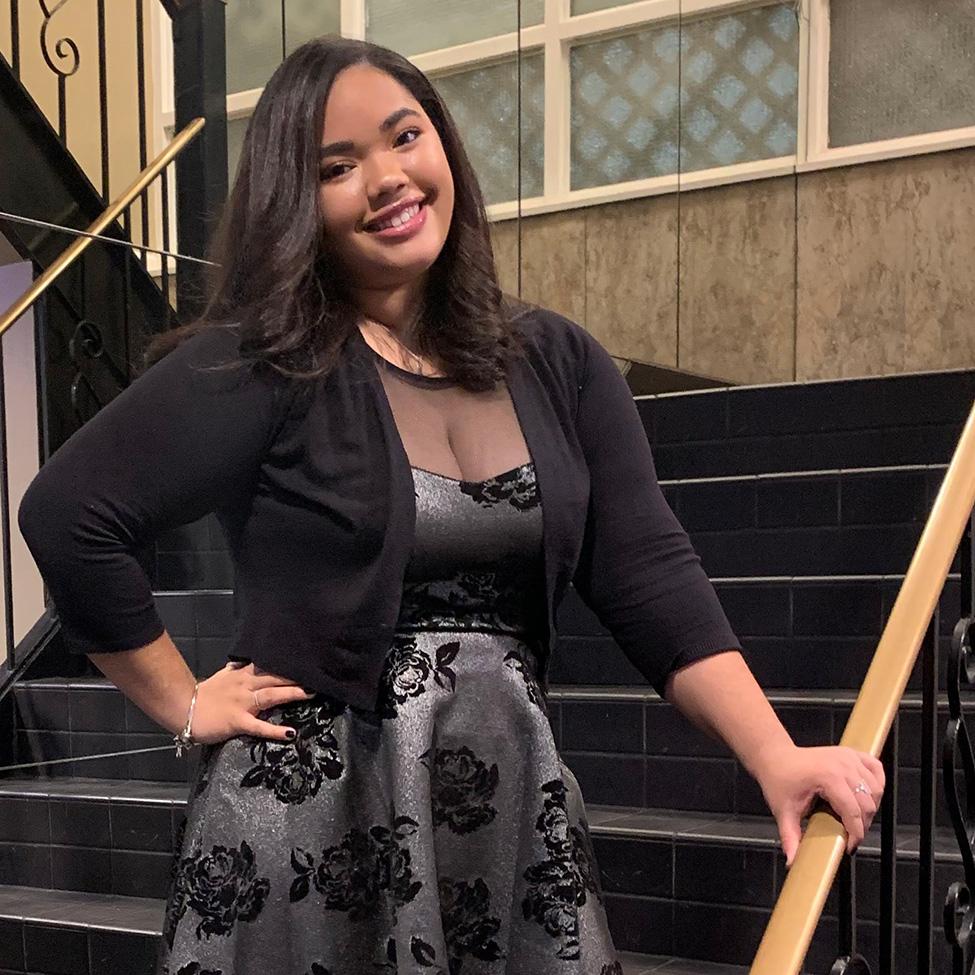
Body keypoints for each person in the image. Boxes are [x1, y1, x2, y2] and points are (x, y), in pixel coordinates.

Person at [17, 36, 884, 975]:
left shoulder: (558, 360)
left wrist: (772, 754)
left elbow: (645, 570)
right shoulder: (266, 362)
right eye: (337, 168)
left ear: (444, 147)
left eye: (405, 136)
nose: (387, 178)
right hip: (312, 817)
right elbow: (70, 513)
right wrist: (183, 702)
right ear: (294, 205)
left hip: (501, 799)